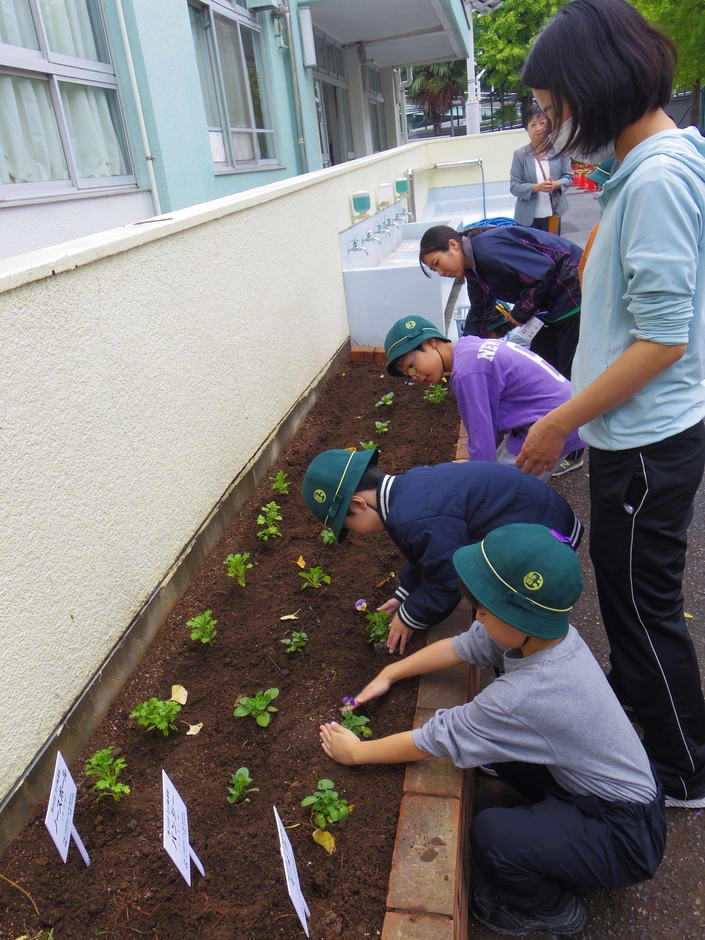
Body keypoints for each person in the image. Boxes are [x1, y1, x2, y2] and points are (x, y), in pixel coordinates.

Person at [516, 0, 705, 808]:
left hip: (643, 444)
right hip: (642, 437)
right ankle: (648, 709)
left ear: (593, 84)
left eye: (551, 101)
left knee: (639, 603)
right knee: (630, 594)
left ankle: (682, 771)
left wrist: (557, 421)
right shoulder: (652, 163)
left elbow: (662, 338)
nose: (545, 118)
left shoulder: (657, 178)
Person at [319, 524, 666, 936]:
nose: (477, 616)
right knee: (499, 749)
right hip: (598, 788)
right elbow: (463, 646)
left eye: (486, 610)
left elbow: (435, 737)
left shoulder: (526, 695)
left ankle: (550, 910)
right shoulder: (549, 635)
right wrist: (390, 672)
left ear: (524, 618)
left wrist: (357, 752)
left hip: (626, 837)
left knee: (492, 835)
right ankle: (554, 836)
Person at [302, 449, 582, 655]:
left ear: (359, 504)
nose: (354, 533)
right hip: (537, 512)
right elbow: (426, 553)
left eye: (347, 524)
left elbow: (448, 579)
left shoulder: (414, 518)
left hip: (547, 535)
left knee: (503, 606)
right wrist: (405, 593)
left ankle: (525, 653)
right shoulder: (408, 490)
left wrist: (410, 615)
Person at [384, 316, 584, 474]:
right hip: (566, 412)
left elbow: (482, 442)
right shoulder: (469, 347)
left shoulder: (467, 372)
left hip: (550, 428)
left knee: (503, 500)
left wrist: (477, 480)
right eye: (408, 376)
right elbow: (490, 427)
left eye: (411, 367)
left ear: (430, 343)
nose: (415, 376)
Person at [418, 223, 582, 379]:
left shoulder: (485, 247)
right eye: (435, 270)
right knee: (543, 365)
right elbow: (479, 312)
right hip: (553, 305)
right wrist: (464, 351)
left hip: (570, 290)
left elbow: (538, 276)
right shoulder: (473, 271)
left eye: (437, 263)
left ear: (453, 245)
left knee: (569, 371)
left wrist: (520, 313)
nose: (440, 272)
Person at [510, 104, 573, 234]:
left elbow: (568, 177)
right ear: (526, 128)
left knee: (552, 251)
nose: (538, 128)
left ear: (548, 125)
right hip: (527, 217)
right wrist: (537, 187)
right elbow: (514, 186)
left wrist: (555, 184)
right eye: (533, 125)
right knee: (530, 253)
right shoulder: (519, 154)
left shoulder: (560, 150)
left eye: (542, 123)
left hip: (553, 212)